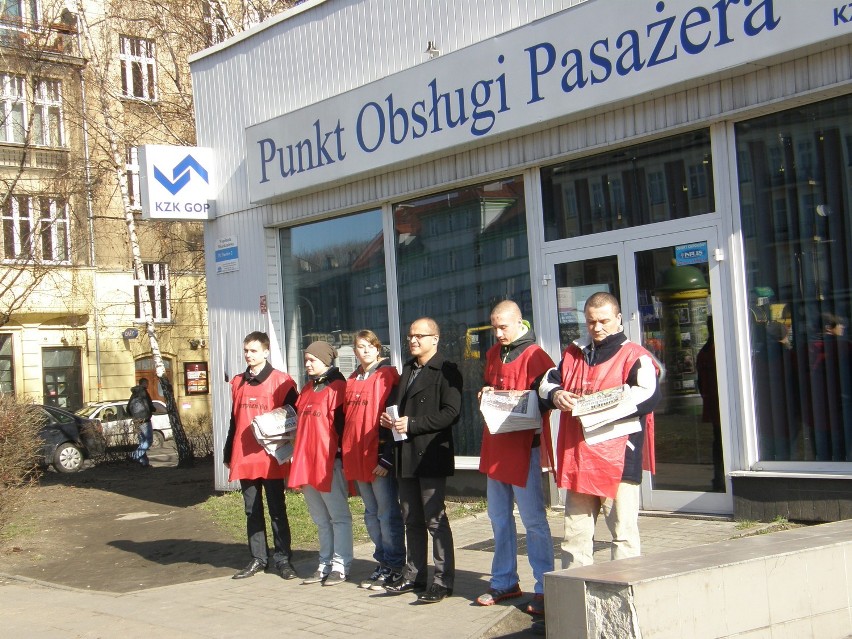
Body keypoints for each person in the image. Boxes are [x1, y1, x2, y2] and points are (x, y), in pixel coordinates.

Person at [539, 292, 660, 568]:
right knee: (575, 537)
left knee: (623, 535)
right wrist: (557, 395)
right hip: (579, 458)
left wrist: (601, 406)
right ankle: (575, 596)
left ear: (618, 318)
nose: (597, 327)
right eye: (591, 322)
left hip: (618, 459)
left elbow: (649, 396)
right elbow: (546, 383)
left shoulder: (635, 356)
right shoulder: (573, 353)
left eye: (604, 320)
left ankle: (624, 596)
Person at [476, 301, 555, 616]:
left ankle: (545, 587)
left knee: (533, 519)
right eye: (494, 327)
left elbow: (549, 399)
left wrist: (527, 402)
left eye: (503, 327)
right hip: (496, 444)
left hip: (524, 446)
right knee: (497, 517)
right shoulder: (495, 353)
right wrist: (486, 393)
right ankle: (505, 581)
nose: (497, 333)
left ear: (519, 322)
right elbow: (492, 384)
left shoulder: (537, 356)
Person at [381, 317, 462, 604]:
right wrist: (390, 420)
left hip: (429, 455)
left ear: (435, 339)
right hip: (405, 455)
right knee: (411, 519)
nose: (413, 340)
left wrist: (412, 424)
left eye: (419, 336)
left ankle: (442, 581)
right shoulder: (408, 368)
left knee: (435, 520)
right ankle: (413, 575)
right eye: (410, 336)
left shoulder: (446, 370)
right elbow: (403, 409)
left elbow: (452, 413)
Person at [224, 331, 299, 580]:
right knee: (251, 509)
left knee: (277, 508)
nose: (249, 355)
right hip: (245, 455)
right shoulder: (238, 382)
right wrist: (227, 451)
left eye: (254, 350)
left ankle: (283, 558)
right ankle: (258, 558)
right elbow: (233, 422)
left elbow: (294, 418)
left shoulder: (282, 381)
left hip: (271, 456)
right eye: (246, 350)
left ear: (266, 352)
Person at [341, 330, 405, 591]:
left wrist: (387, 457)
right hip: (357, 457)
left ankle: (395, 564)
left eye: (370, 346)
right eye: (360, 347)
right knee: (370, 514)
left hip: (378, 457)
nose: (365, 350)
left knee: (387, 513)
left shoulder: (387, 375)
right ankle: (381, 562)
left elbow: (393, 419)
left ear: (379, 349)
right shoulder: (353, 378)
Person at [289, 341, 353, 586]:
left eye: (312, 360)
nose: (307, 364)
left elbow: (343, 427)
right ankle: (324, 562)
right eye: (305, 360)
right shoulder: (306, 389)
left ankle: (341, 564)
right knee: (320, 519)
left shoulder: (339, 388)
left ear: (326, 361)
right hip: (307, 463)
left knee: (338, 517)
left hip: (329, 464)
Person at [695, 316, 724, 490]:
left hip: (713, 403)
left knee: (718, 442)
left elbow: (700, 381)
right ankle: (720, 480)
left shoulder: (705, 351)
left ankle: (718, 479)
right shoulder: (715, 350)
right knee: (721, 443)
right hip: (720, 404)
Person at [127, 378, 156, 467]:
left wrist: (134, 416)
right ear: (144, 383)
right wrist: (153, 409)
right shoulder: (143, 392)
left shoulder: (134, 394)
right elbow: (149, 405)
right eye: (147, 383)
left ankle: (144, 463)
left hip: (136, 421)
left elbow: (128, 408)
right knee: (149, 441)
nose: (148, 385)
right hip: (145, 420)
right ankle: (134, 455)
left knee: (142, 442)